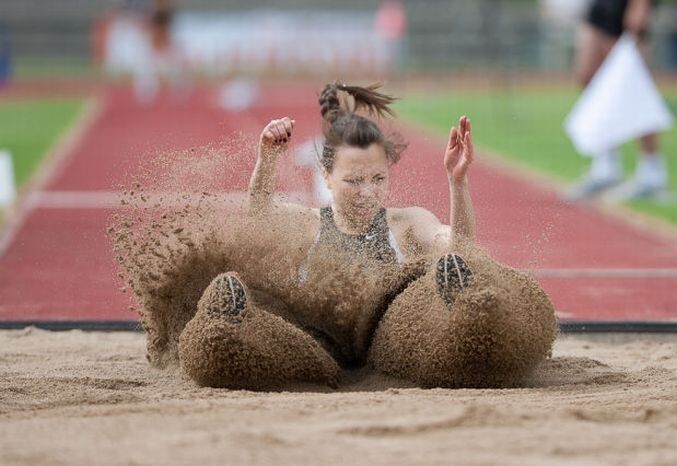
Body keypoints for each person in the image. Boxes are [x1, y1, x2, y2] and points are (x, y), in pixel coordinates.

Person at [175, 83, 556, 390]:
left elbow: (461, 247)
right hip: (319, 346)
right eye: (354, 181)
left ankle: (459, 309)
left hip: (387, 341)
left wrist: (457, 183)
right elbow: (260, 213)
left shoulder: (406, 224)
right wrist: (268, 158)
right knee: (285, 331)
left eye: (378, 179)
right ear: (326, 179)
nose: (367, 193)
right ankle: (230, 321)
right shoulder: (308, 224)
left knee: (443, 278)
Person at [567, 0, 669, 201]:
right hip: (600, 7)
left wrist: (641, 5)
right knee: (590, 77)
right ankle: (606, 166)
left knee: (633, 85)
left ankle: (652, 172)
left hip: (624, 7)